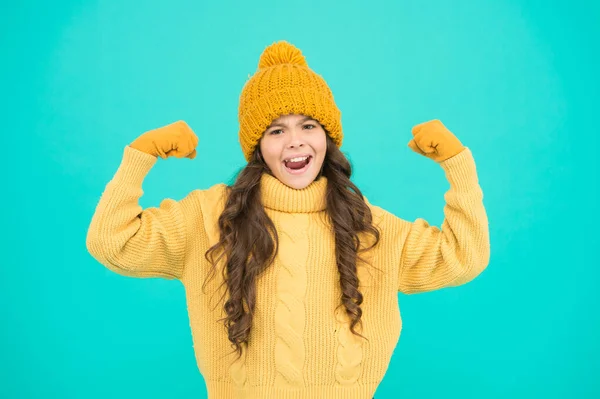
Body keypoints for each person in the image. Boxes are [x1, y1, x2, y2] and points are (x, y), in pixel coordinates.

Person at [86, 40, 490, 398]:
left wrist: (458, 166)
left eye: (308, 125)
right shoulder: (209, 217)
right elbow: (111, 242)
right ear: (258, 147)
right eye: (276, 130)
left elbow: (463, 256)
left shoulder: (369, 226)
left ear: (327, 139)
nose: (295, 140)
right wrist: (139, 157)